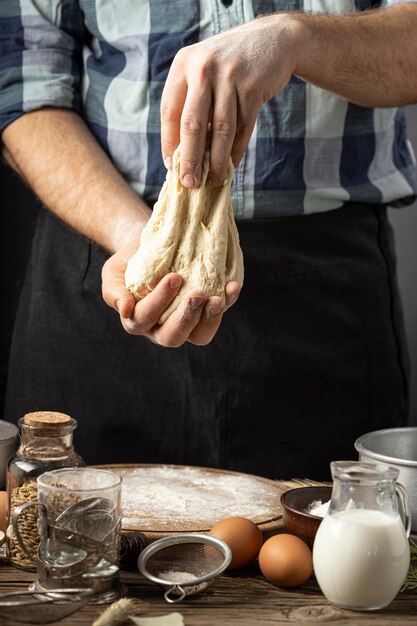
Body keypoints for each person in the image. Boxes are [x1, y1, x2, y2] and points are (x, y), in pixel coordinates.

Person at [0, 1, 416, 480]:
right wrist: (145, 240)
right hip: (102, 268)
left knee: (322, 541)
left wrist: (299, 40)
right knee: (78, 542)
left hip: (324, 297)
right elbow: (23, 86)